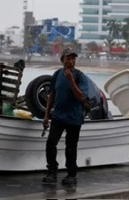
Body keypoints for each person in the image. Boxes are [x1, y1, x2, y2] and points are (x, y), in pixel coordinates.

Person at [42, 47, 90, 185]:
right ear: (62, 60)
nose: (71, 61)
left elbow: (81, 96)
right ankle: (52, 171)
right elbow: (52, 94)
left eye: (73, 59)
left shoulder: (80, 76)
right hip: (58, 116)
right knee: (51, 143)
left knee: (71, 147)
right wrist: (46, 115)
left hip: (74, 118)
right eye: (68, 58)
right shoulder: (57, 74)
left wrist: (71, 81)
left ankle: (71, 174)